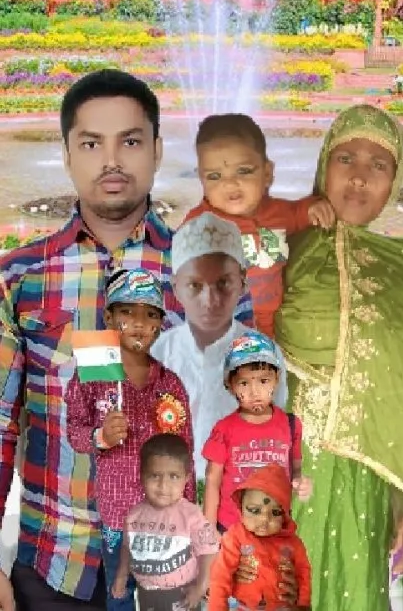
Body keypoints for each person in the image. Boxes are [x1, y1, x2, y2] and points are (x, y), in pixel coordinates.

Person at [0, 69, 184, 611]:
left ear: (155, 150)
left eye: (129, 141)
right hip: (55, 565)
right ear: (67, 154)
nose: (112, 160)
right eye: (91, 143)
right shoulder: (21, 278)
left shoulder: (203, 277)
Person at [275, 103, 403, 611]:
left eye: (380, 164)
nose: (359, 175)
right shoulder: (282, 245)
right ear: (324, 163)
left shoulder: (399, 269)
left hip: (364, 483)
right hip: (279, 469)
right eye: (346, 157)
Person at [66, 267, 195, 611]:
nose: (139, 322)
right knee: (120, 593)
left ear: (161, 323)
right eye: (127, 312)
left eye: (150, 314)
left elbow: (186, 456)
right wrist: (101, 437)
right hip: (117, 517)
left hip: (165, 518)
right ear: (109, 317)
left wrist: (189, 515)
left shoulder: (171, 385)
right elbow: (75, 433)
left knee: (168, 594)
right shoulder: (91, 375)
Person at [152, 212, 288, 481]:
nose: (210, 300)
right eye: (195, 285)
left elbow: (273, 435)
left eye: (223, 283)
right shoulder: (158, 354)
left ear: (242, 283)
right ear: (176, 288)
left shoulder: (264, 354)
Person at [185, 113, 335, 336]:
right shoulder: (199, 225)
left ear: (267, 173)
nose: (230, 183)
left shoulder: (280, 214)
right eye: (215, 176)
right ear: (201, 180)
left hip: (271, 326)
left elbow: (299, 213)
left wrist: (314, 207)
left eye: (243, 171)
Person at [203, 331, 311, 534]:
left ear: (276, 380)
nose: (255, 392)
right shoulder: (224, 429)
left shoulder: (291, 425)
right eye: (244, 383)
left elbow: (295, 467)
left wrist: (300, 481)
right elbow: (212, 480)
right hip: (232, 531)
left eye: (263, 381)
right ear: (230, 386)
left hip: (274, 529)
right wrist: (209, 528)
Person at [112, 434, 219, 611]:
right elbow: (126, 546)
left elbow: (208, 552)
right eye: (155, 476)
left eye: (174, 476)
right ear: (142, 476)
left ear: (186, 478)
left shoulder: (191, 515)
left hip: (182, 595)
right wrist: (121, 575)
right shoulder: (134, 515)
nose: (163, 485)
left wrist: (201, 587)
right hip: (146, 594)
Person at [207, 463, 311, 611]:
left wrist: (303, 605)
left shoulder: (293, 543)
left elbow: (303, 573)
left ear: (286, 515)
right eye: (255, 510)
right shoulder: (236, 537)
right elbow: (220, 576)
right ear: (241, 508)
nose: (264, 519)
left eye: (275, 513)